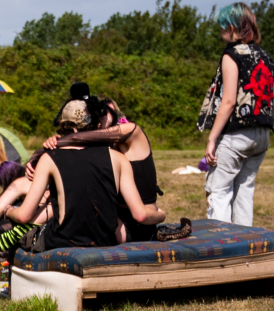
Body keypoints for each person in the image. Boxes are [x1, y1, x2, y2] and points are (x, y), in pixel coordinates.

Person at [9, 96, 165, 249]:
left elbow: (78, 137)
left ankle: (9, 234)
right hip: (113, 222)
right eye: (99, 113)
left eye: (106, 112)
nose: (103, 118)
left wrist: (49, 148)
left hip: (137, 223)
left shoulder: (130, 130)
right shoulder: (108, 152)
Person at [197, 2, 274, 226]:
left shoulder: (231, 55)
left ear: (231, 28)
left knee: (219, 191)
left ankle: (221, 242)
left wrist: (212, 138)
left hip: (236, 135)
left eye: (222, 28)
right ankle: (244, 242)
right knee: (244, 191)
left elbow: (229, 101)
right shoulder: (265, 57)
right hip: (262, 135)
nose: (221, 33)